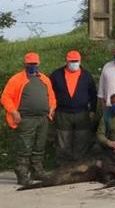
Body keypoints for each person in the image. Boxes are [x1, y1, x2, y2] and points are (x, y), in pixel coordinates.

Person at [1, 53, 56, 186]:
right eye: (30, 64)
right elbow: (5, 97)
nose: (33, 66)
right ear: (25, 64)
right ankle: (22, 173)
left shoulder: (44, 79)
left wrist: (52, 108)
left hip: (43, 118)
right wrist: (14, 112)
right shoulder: (17, 79)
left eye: (35, 63)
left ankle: (37, 171)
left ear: (39, 63)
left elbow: (52, 97)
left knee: (39, 145)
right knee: (25, 147)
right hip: (26, 119)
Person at [49, 51, 97, 163]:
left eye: (76, 61)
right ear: (66, 61)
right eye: (71, 61)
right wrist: (51, 108)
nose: (74, 63)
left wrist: (93, 110)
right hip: (62, 113)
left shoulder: (86, 75)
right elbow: (49, 93)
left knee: (82, 140)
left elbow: (93, 94)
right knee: (62, 140)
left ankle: (79, 165)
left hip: (82, 113)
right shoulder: (56, 75)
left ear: (80, 61)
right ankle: (63, 166)